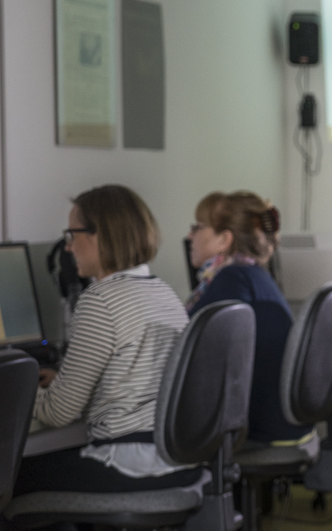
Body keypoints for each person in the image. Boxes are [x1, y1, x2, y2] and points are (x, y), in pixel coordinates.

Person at [14, 185, 198, 494]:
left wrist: (18, 392)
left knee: (6, 481)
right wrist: (67, 382)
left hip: (128, 462)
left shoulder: (100, 299)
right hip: (176, 460)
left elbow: (59, 412)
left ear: (101, 235)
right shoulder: (164, 292)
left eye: (71, 236)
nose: (68, 248)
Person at [185, 191, 311, 446]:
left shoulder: (229, 281)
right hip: (283, 422)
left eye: (197, 228)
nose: (190, 236)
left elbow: (187, 357)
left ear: (224, 239)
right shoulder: (253, 277)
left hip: (257, 429)